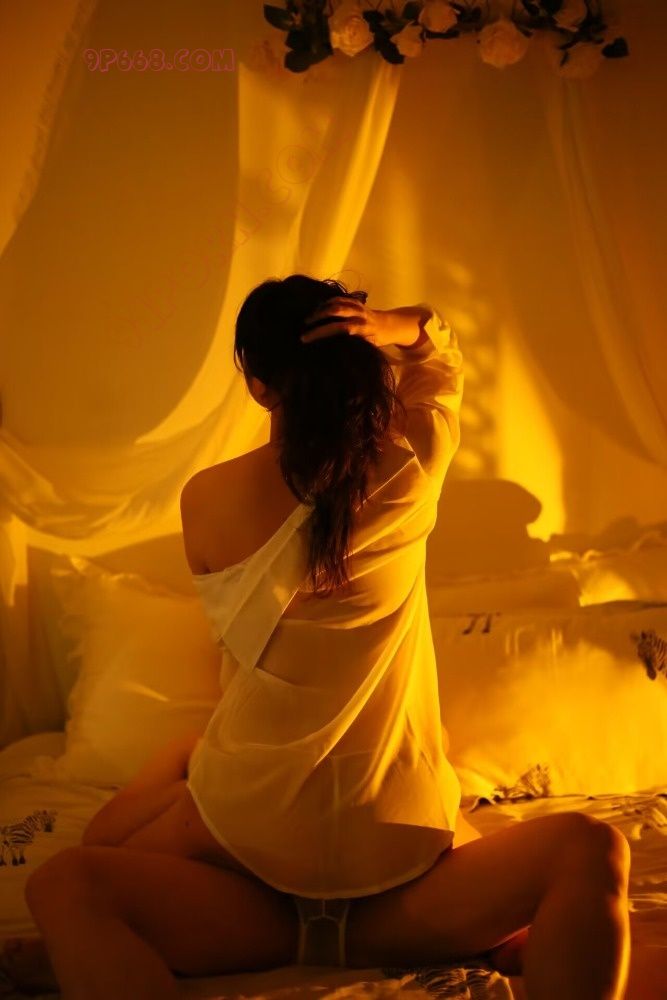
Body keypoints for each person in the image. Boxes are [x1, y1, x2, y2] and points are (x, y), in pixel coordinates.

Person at [13, 275, 631, 1000]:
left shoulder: (207, 499)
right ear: (357, 358)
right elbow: (440, 360)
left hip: (248, 885)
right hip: (404, 889)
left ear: (258, 384)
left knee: (71, 880)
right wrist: (397, 325)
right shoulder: (410, 467)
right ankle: (490, 936)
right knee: (590, 847)